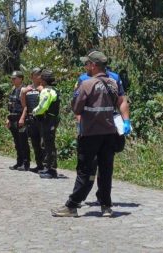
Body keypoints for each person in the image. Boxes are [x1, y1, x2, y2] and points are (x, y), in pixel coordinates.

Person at [51, 51, 131, 217]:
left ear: (94, 65)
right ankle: (106, 206)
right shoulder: (113, 84)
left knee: (85, 171)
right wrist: (125, 121)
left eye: (87, 64)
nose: (85, 66)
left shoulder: (86, 84)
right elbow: (121, 101)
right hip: (109, 133)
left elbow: (76, 107)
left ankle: (72, 206)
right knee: (106, 170)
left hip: (90, 134)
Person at [32, 69, 60, 179]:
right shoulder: (55, 89)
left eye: (41, 78)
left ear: (44, 80)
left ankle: (51, 170)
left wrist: (34, 112)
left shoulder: (46, 91)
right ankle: (49, 168)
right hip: (53, 119)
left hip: (48, 120)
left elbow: (42, 107)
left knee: (48, 144)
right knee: (49, 143)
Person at [19, 67, 44, 173]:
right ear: (32, 76)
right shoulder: (27, 89)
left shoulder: (43, 88)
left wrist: (41, 90)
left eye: (40, 74)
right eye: (36, 74)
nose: (39, 76)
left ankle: (45, 165)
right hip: (31, 118)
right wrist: (22, 118)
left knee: (43, 143)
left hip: (42, 119)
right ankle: (39, 165)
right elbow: (24, 105)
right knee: (35, 143)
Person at [6, 71, 30, 171]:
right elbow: (10, 106)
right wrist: (7, 118)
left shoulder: (23, 90)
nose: (12, 80)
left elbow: (26, 106)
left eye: (14, 78)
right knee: (17, 142)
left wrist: (22, 118)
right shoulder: (13, 90)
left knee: (23, 142)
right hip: (13, 118)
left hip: (20, 118)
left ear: (20, 79)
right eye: (12, 78)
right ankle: (19, 162)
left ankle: (25, 163)